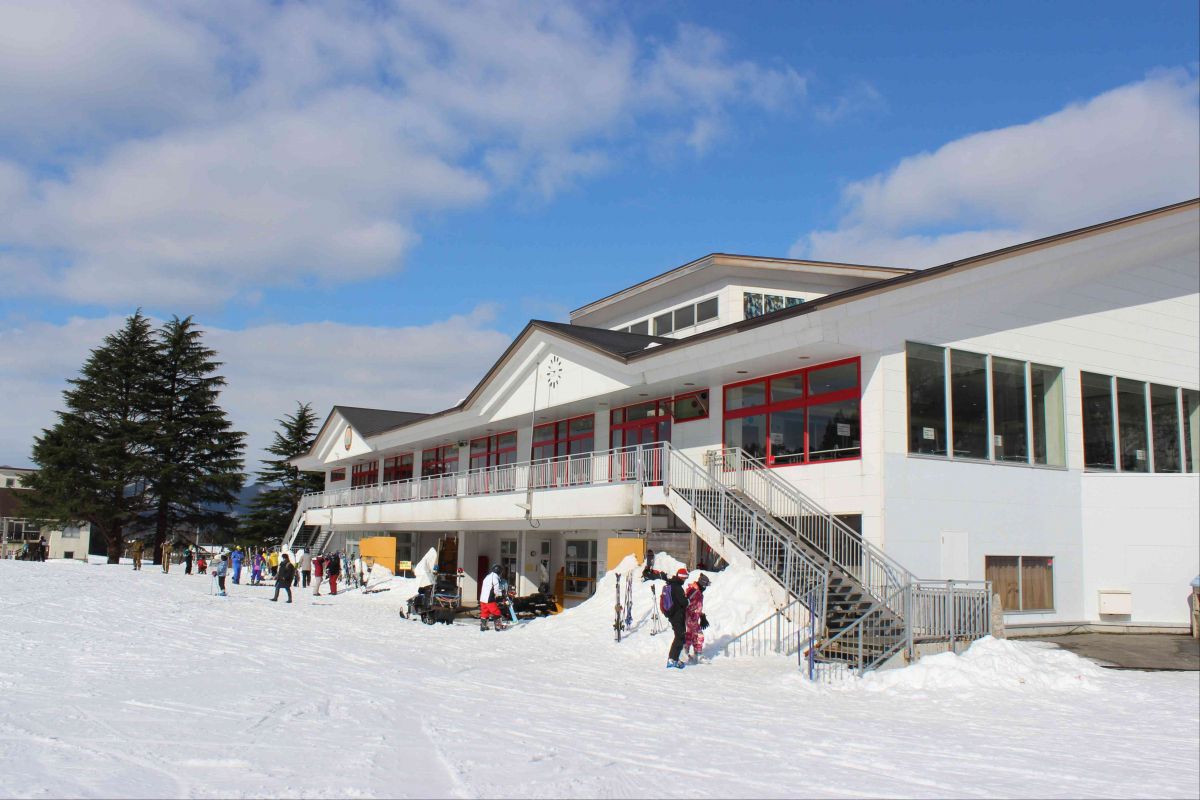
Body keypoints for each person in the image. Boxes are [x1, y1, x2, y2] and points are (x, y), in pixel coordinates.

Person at [662, 567, 689, 669]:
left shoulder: (672, 584)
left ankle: (674, 659)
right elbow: (683, 602)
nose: (685, 580)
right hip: (677, 616)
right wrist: (688, 601)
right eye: (684, 578)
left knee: (680, 637)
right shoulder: (677, 587)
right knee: (679, 637)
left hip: (674, 615)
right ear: (681, 578)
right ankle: (672, 659)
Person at [683, 573, 711, 664]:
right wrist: (690, 616)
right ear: (703, 584)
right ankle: (690, 654)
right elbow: (686, 604)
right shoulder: (694, 591)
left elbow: (696, 606)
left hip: (694, 618)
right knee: (696, 635)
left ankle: (692, 654)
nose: (706, 588)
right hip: (690, 618)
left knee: (692, 636)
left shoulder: (697, 591)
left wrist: (702, 615)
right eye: (706, 585)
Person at [479, 564, 504, 631]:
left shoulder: (487, 576)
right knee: (496, 612)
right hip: (489, 599)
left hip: (482, 598)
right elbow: (496, 590)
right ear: (499, 571)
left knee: (485, 612)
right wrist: (500, 594)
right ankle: (498, 626)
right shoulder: (495, 578)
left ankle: (483, 626)